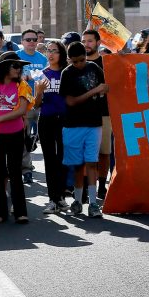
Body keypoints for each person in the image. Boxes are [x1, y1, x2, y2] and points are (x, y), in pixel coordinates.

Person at [59, 42, 108, 217]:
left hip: (94, 123)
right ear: (69, 60)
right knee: (78, 165)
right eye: (75, 61)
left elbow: (106, 86)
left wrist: (103, 89)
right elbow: (70, 101)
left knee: (92, 162)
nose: (79, 64)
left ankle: (93, 203)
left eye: (82, 60)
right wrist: (94, 91)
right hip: (73, 125)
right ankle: (78, 200)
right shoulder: (67, 73)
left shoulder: (94, 67)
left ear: (86, 56)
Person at [0, 51, 30, 223]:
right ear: (5, 67)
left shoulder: (22, 85)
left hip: (15, 134)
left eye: (20, 66)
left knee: (15, 172)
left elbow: (21, 110)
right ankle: (0, 212)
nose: (19, 69)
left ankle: (20, 212)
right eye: (15, 66)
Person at [35, 40, 69, 213]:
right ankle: (52, 199)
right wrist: (39, 91)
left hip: (64, 120)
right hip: (46, 119)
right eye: (48, 50)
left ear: (61, 53)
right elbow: (36, 104)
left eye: (54, 51)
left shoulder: (67, 73)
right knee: (49, 160)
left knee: (63, 159)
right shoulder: (41, 74)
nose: (50, 54)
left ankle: (61, 197)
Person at [82, 29, 111, 199]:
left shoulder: (107, 62)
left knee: (104, 152)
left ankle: (101, 186)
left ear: (98, 43)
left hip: (105, 113)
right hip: (83, 114)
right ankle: (85, 186)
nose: (86, 44)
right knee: (86, 152)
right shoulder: (77, 63)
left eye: (90, 41)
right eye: (84, 41)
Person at [16, 29, 48, 183]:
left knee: (38, 138)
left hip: (41, 103)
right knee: (25, 138)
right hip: (24, 103)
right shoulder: (17, 57)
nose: (31, 42)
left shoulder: (43, 59)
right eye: (28, 39)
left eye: (34, 39)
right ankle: (27, 169)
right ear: (22, 42)